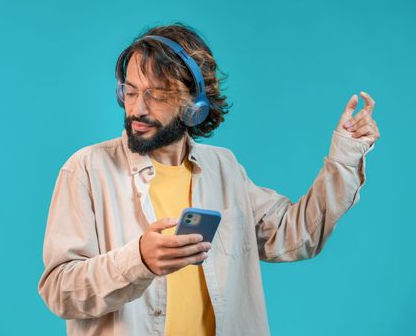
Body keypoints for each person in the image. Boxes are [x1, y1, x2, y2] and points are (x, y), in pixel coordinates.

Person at [37, 23, 380, 336]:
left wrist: (345, 155)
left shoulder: (224, 168)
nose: (137, 109)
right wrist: (138, 261)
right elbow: (59, 291)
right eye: (130, 91)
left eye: (155, 94)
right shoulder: (86, 170)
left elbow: (296, 234)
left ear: (193, 105)